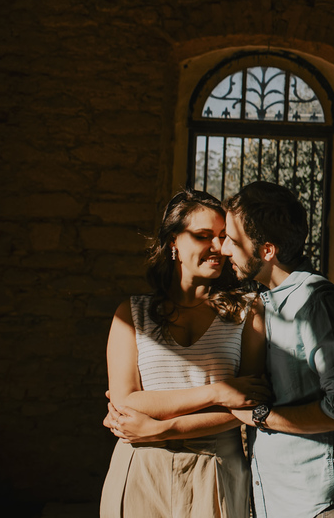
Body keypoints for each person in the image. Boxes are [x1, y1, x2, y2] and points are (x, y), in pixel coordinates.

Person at [99, 189, 270, 518]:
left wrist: (162, 427)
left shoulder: (250, 312)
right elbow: (126, 403)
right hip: (139, 466)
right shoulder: (131, 313)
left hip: (217, 468)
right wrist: (219, 392)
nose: (218, 248)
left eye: (223, 237)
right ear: (173, 242)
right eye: (204, 236)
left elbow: (249, 403)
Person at [220, 181, 334, 518]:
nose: (224, 248)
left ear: (267, 250)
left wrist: (261, 417)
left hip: (317, 505)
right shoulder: (267, 302)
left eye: (232, 238)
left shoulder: (318, 302)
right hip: (277, 501)